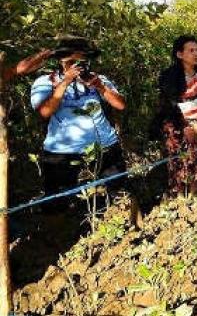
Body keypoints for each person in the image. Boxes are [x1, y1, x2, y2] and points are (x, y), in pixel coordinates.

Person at [30, 37, 140, 226]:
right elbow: (45, 111)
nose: (77, 66)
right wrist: (64, 83)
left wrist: (99, 86)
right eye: (71, 62)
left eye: (81, 61)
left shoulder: (98, 80)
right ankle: (58, 239)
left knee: (119, 192)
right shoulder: (45, 81)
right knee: (56, 203)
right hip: (61, 151)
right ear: (61, 61)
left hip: (104, 144)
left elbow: (120, 104)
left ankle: (124, 227)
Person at [152, 35, 197, 196]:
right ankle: (181, 197)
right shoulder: (169, 75)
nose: (196, 53)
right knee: (179, 161)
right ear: (179, 54)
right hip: (176, 125)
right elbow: (169, 103)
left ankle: (195, 195)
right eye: (191, 50)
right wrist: (184, 126)